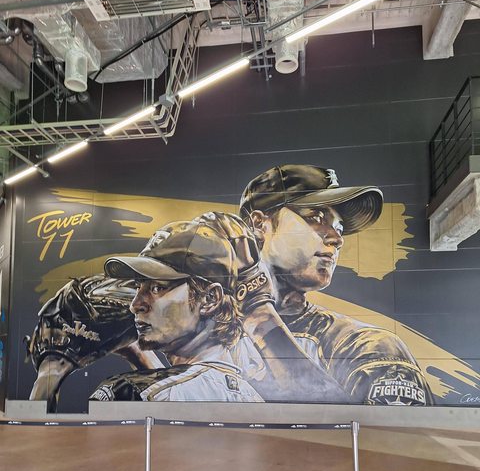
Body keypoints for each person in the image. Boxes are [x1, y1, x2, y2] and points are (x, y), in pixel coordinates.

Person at [237, 164, 433, 406]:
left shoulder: (369, 347)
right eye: (316, 217)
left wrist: (260, 320)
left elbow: (382, 432)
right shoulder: (200, 330)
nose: (337, 239)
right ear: (258, 225)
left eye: (339, 228)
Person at [90, 220, 263, 402]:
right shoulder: (253, 399)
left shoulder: (127, 391)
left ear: (210, 298)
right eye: (138, 287)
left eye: (157, 288)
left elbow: (166, 389)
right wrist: (138, 356)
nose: (135, 304)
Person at [26, 275, 163, 413]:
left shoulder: (51, 341)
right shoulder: (52, 341)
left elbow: (49, 378)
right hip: (86, 306)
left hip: (82, 308)